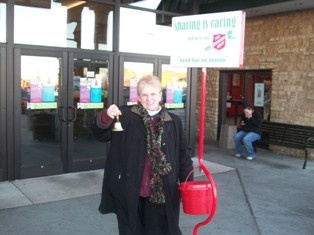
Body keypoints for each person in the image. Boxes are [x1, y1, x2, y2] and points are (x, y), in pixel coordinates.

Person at [92, 75, 193, 235]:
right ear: (138, 97)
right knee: (131, 230)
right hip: (129, 188)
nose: (149, 99)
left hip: (162, 190)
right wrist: (106, 116)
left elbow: (183, 154)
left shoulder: (173, 121)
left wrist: (189, 184)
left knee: (160, 230)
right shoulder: (124, 116)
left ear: (160, 95)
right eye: (145, 95)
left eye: (153, 94)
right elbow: (100, 135)